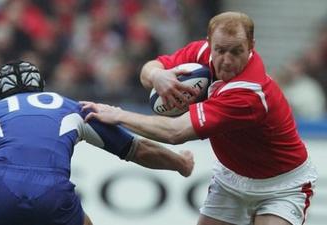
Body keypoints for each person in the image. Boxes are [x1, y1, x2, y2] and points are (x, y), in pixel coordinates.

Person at [81, 11, 318, 225]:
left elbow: (175, 133)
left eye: (236, 51)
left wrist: (120, 115)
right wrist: (157, 75)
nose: (226, 60)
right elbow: (148, 70)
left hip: (280, 185)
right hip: (232, 177)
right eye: (220, 50)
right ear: (209, 43)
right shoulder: (202, 53)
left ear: (251, 46)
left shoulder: (249, 93)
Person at [0, 60, 194, 225]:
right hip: (52, 193)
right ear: (41, 86)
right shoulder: (69, 107)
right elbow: (137, 149)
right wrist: (180, 163)